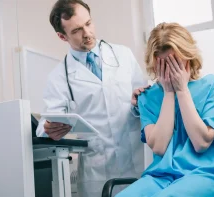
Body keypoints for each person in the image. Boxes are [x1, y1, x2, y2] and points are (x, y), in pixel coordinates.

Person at [36, 0, 149, 196]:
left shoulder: (123, 55)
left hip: (137, 160)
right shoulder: (59, 76)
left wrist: (139, 102)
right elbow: (45, 123)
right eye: (77, 30)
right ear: (62, 36)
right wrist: (48, 129)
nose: (87, 33)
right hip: (98, 169)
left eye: (88, 24)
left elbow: (144, 101)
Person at [116, 23, 214, 197]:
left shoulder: (213, 86)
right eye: (164, 65)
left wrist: (182, 91)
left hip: (205, 174)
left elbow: (201, 143)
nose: (171, 71)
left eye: (175, 63)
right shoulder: (147, 97)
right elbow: (159, 147)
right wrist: (168, 92)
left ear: (188, 57)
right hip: (160, 178)